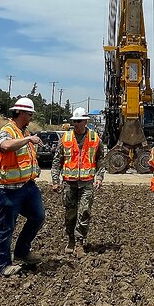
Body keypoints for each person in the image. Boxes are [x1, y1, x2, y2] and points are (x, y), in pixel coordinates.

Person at [0, 96, 46, 276]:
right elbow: (5, 146)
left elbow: (25, 158)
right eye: (30, 113)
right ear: (21, 113)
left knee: (38, 216)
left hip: (27, 186)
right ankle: (3, 264)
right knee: (7, 226)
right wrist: (28, 140)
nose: (31, 116)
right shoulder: (7, 130)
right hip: (8, 189)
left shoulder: (24, 132)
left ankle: (22, 252)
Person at [50, 106, 105, 256]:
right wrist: (56, 180)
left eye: (79, 121)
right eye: (75, 121)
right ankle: (71, 240)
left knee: (84, 212)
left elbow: (101, 160)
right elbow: (57, 162)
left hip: (87, 183)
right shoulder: (65, 139)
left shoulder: (95, 138)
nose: (77, 124)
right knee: (70, 213)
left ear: (85, 121)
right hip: (69, 183)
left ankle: (80, 242)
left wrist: (99, 178)